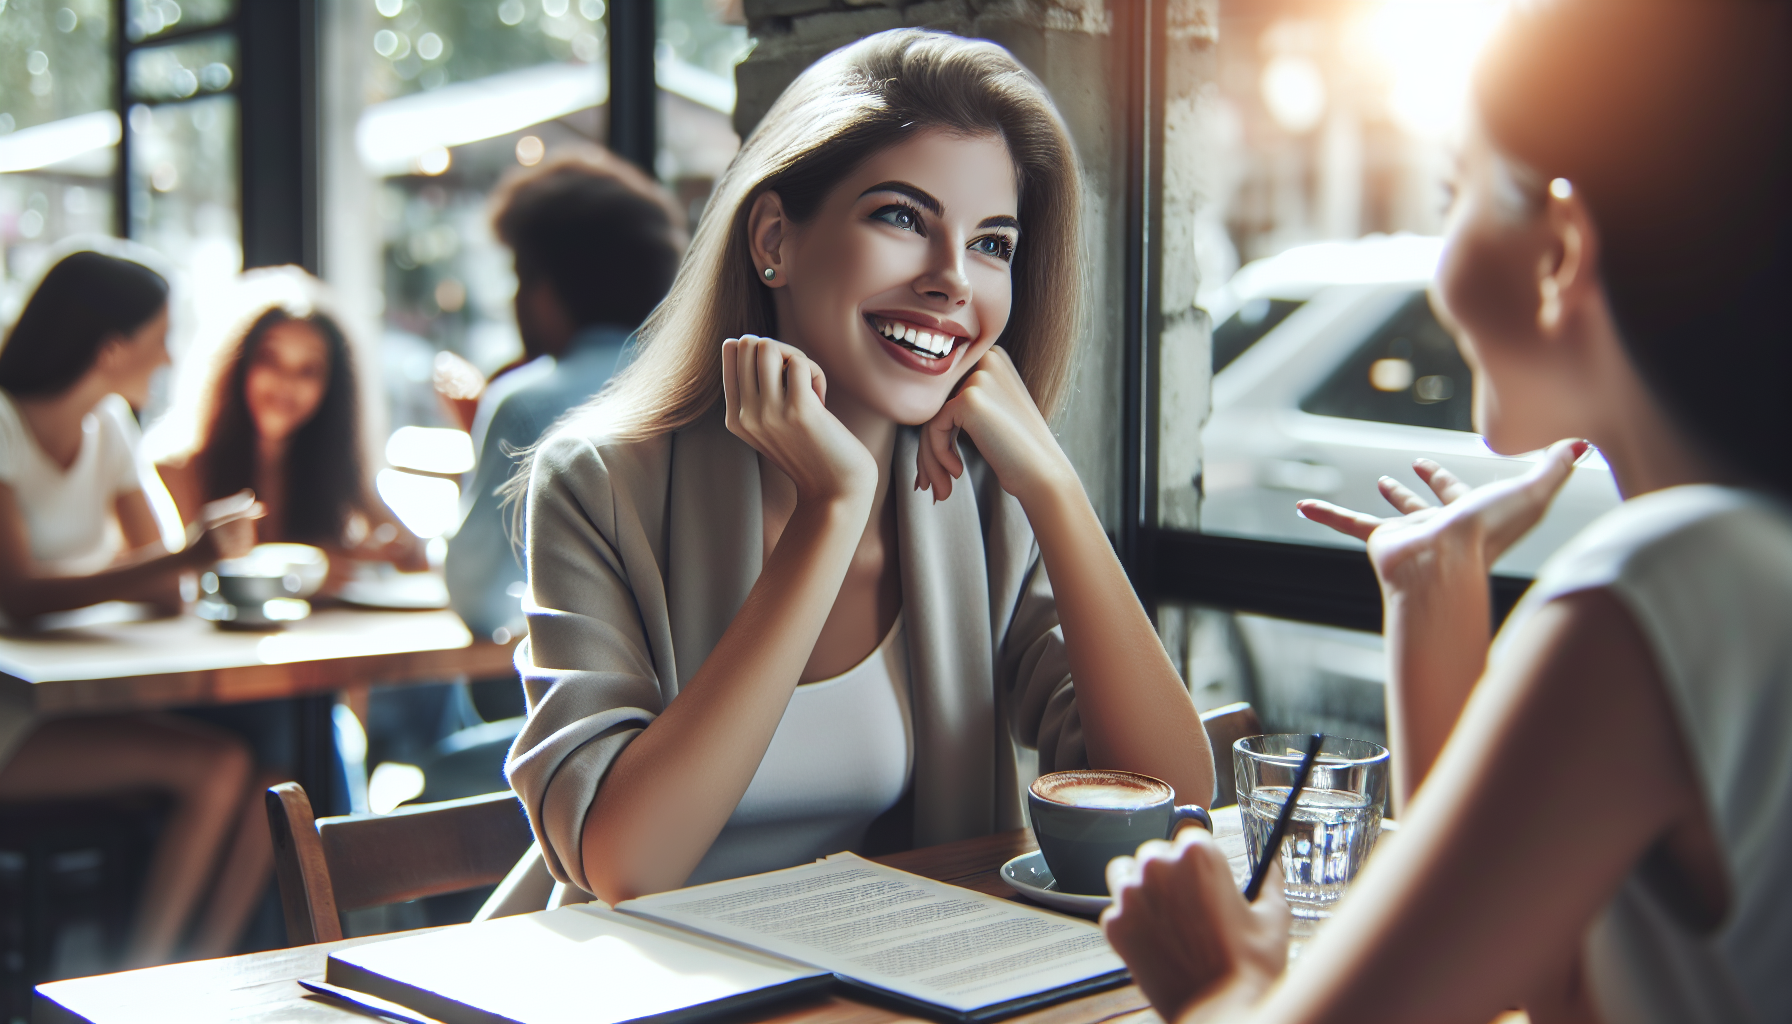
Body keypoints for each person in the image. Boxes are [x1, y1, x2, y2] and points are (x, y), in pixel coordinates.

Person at [1101, 3, 1792, 1023]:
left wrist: (1222, 980)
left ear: (1559, 253)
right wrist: (1433, 600)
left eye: (1452, 192)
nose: (1436, 266)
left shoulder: (1662, 584)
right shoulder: (1742, 564)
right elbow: (1538, 985)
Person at [496, 28, 1215, 912]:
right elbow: (625, 865)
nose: (953, 281)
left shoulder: (984, 497)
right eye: (903, 218)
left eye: (992, 243)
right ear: (775, 238)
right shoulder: (599, 484)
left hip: (882, 970)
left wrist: (1056, 491)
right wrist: (832, 509)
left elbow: (1172, 800)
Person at [0, 250, 263, 966]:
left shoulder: (109, 424)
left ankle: (193, 975)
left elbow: (165, 585)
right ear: (111, 348)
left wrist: (180, 560)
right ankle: (144, 986)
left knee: (265, 776)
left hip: (69, 703)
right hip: (11, 712)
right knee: (220, 768)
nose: (170, 356)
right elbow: (18, 595)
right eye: (160, 336)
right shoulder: (4, 424)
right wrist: (184, 556)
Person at [445, 147, 686, 645]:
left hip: (576, 689)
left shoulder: (526, 404)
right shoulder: (700, 388)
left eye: (519, 279)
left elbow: (478, 601)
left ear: (545, 289)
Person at [155, 272, 425, 579]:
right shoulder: (177, 470)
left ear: (332, 389)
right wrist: (334, 560)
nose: (286, 383)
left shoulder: (340, 473)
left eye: (308, 370)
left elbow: (413, 554)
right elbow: (177, 578)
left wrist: (380, 553)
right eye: (270, 359)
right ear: (237, 366)